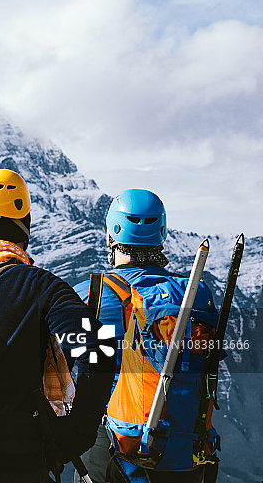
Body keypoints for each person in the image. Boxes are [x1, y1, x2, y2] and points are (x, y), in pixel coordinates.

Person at [0, 168, 116, 483]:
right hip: (17, 462)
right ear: (24, 226)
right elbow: (98, 347)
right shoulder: (38, 287)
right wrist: (78, 433)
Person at [73, 190, 219, 483]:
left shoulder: (96, 294)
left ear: (112, 237)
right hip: (186, 447)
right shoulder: (196, 294)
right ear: (161, 233)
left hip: (117, 443)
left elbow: (78, 368)